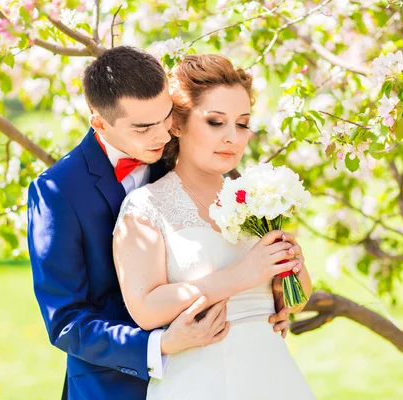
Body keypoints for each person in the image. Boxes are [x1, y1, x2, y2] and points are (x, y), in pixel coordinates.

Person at [27, 46, 297, 400]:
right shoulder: (56, 190)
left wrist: (268, 299)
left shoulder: (185, 156)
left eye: (166, 117)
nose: (163, 134)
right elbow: (66, 321)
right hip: (112, 384)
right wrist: (158, 345)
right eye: (143, 128)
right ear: (100, 123)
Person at [113, 54, 316, 399]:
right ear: (176, 124)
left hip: (274, 376)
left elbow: (293, 302)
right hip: (198, 380)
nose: (232, 138)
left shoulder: (257, 198)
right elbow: (146, 310)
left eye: (242, 124)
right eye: (215, 122)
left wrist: (291, 269)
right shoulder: (146, 205)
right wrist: (245, 274)